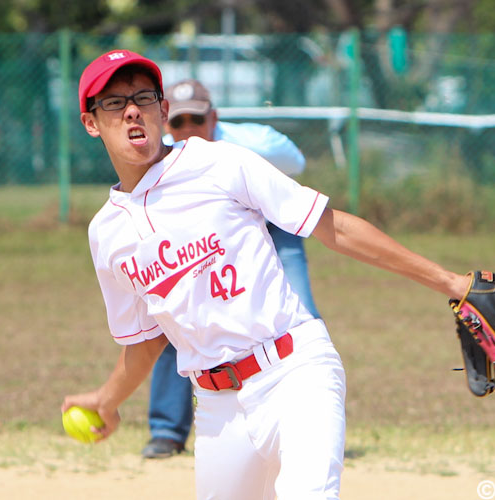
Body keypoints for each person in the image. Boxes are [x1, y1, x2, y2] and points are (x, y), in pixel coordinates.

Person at [62, 49, 469, 500]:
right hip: (218, 409)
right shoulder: (107, 233)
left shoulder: (218, 164)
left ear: (163, 110)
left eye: (143, 96)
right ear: (91, 122)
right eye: (114, 102)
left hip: (294, 372)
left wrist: (452, 283)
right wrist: (108, 399)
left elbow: (333, 227)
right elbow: (146, 339)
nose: (132, 109)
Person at [141, 78, 321, 459]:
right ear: (165, 123)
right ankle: (166, 431)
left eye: (196, 118)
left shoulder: (256, 143)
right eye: (178, 121)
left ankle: (308, 424)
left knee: (303, 313)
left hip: (273, 224)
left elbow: (297, 163)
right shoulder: (160, 156)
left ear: (214, 118)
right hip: (208, 234)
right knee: (179, 320)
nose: (188, 128)